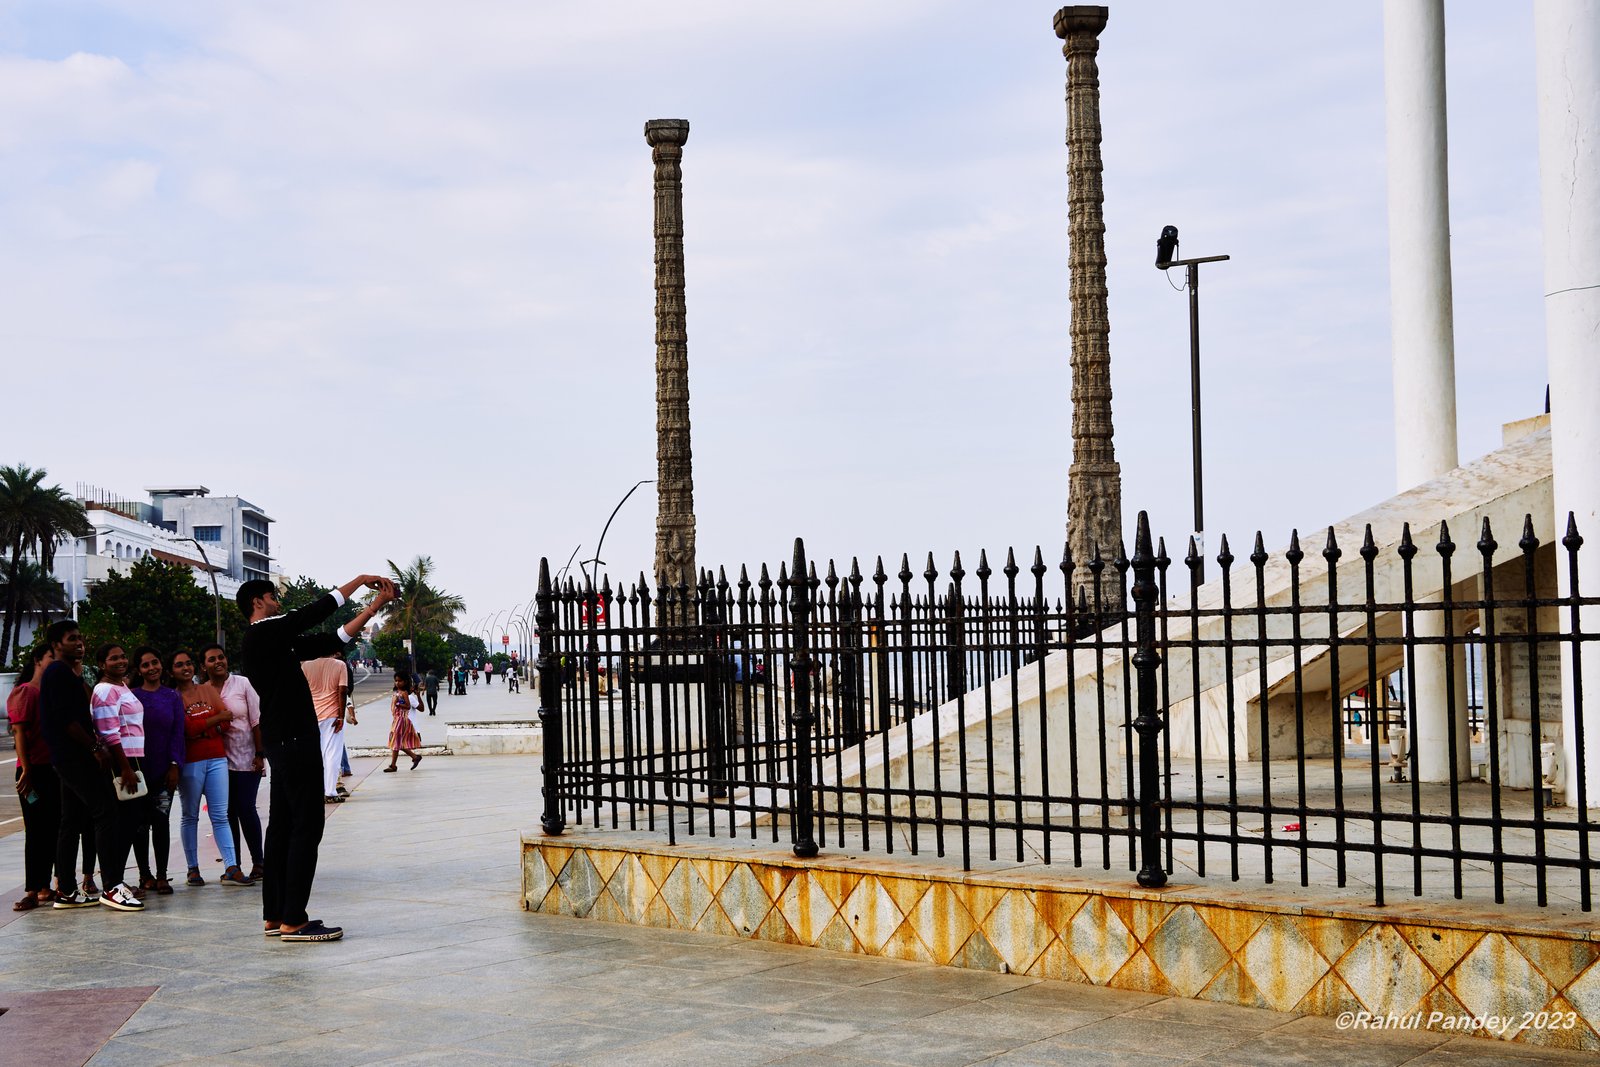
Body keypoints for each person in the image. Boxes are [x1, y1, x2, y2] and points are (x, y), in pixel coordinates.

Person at [238, 574, 393, 943]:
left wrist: (373, 607)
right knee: (307, 826)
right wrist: (359, 581)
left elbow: (331, 639)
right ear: (258, 602)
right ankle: (294, 920)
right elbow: (315, 612)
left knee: (282, 827)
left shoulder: (273, 642)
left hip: (283, 738)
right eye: (273, 598)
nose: (278, 603)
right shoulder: (264, 632)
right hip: (294, 738)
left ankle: (275, 915)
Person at [38, 620, 142, 911]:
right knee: (106, 811)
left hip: (66, 756)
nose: (79, 643)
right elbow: (66, 719)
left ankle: (67, 892)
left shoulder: (67, 673)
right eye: (72, 639)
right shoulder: (57, 672)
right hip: (73, 757)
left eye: (80, 638)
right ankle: (112, 887)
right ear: (56, 645)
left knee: (70, 821)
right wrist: (95, 747)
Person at [171, 650, 250, 888]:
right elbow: (186, 730)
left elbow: (227, 719)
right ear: (171, 671)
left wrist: (205, 727)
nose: (185, 668)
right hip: (191, 761)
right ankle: (192, 868)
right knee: (190, 815)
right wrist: (211, 722)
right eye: (179, 665)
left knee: (220, 815)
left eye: (188, 663)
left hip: (217, 758)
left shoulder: (206, 690)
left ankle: (231, 866)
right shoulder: (174, 697)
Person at [91, 644, 152, 898]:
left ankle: (117, 880)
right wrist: (125, 768)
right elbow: (108, 732)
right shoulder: (105, 690)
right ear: (102, 664)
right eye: (113, 658)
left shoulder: (121, 686)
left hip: (134, 758)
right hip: (123, 761)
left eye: (123, 656)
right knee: (122, 823)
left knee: (131, 822)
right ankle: (112, 882)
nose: (120, 661)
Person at [205, 644, 265, 881]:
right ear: (204, 665)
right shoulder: (203, 690)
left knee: (246, 808)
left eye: (221, 657)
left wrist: (260, 753)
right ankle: (234, 865)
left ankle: (259, 862)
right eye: (212, 659)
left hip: (247, 758)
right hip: (218, 762)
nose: (218, 662)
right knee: (226, 813)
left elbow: (256, 720)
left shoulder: (243, 683)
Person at [130, 646, 184, 896]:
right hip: (138, 773)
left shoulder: (172, 697)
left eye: (155, 663)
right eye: (145, 665)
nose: (152, 668)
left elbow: (178, 734)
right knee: (139, 825)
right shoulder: (131, 697)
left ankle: (162, 875)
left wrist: (175, 765)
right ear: (138, 670)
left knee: (161, 823)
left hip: (164, 773)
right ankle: (144, 875)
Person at [9, 645, 59, 910]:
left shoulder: (51, 693)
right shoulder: (26, 692)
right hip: (32, 771)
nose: (55, 661)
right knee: (36, 830)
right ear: (39, 660)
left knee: (53, 829)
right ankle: (31, 889)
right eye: (51, 657)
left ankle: (45, 886)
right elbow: (19, 734)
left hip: (54, 769)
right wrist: (27, 770)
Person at [302, 649, 349, 803]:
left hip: (312, 716)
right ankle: (330, 791)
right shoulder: (339, 665)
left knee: (317, 754)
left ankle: (317, 790)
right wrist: (341, 715)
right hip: (333, 715)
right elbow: (342, 690)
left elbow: (302, 692)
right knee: (332, 755)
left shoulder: (306, 666)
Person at [383, 674, 423, 773]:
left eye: (399, 681)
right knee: (396, 742)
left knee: (395, 742)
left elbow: (408, 706)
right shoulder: (397, 692)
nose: (397, 683)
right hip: (396, 719)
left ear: (405, 682)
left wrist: (398, 703)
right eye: (396, 681)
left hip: (401, 720)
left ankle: (393, 765)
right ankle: (414, 757)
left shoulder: (404, 693)